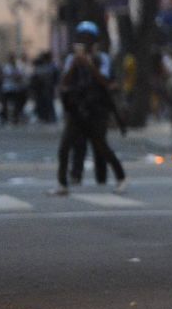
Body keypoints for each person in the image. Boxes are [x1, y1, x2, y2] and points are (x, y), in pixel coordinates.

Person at [53, 22, 125, 195]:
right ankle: (63, 183)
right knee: (65, 147)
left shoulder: (102, 59)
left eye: (87, 39)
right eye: (81, 38)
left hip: (97, 109)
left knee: (101, 146)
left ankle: (120, 177)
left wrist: (90, 66)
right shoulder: (72, 59)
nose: (84, 42)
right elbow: (64, 83)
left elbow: (107, 82)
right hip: (77, 109)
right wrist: (75, 65)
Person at [27, 51, 57, 124]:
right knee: (44, 103)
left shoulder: (48, 67)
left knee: (46, 102)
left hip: (45, 88)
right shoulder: (47, 67)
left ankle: (47, 117)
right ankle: (46, 117)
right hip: (42, 88)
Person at [0, 53, 27, 124]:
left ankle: (15, 118)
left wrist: (13, 76)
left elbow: (20, 76)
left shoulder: (18, 66)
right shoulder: (6, 67)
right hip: (7, 88)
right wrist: (12, 76)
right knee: (4, 104)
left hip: (15, 88)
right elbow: (3, 76)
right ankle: (4, 118)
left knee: (16, 104)